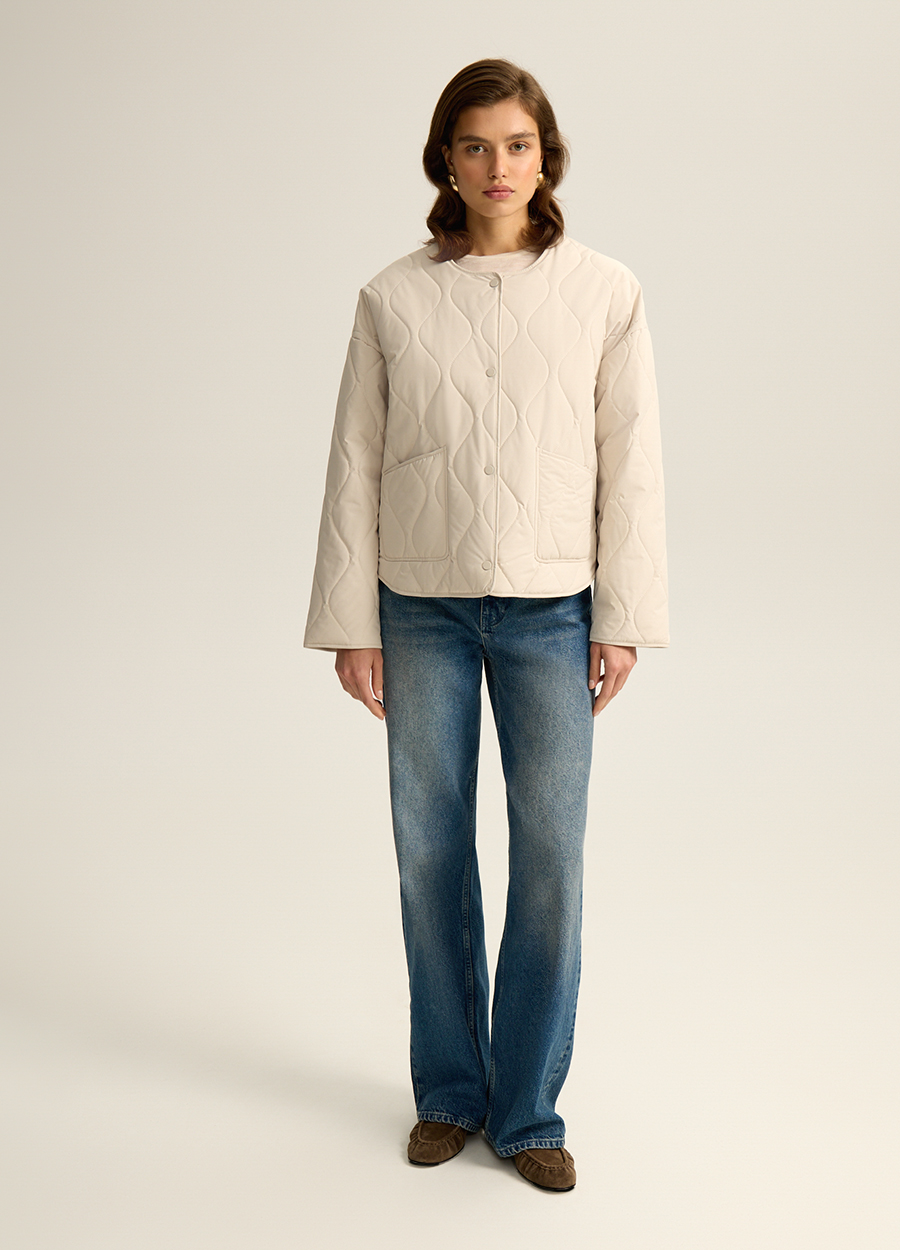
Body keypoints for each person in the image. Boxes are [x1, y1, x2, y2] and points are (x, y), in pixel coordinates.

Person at [303, 58, 669, 1192]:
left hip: (553, 610)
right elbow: (354, 462)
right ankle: (450, 1093)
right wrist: (351, 623)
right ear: (445, 162)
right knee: (430, 851)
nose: (498, 166)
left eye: (518, 145)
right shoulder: (391, 297)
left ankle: (528, 1109)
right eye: (475, 145)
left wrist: (622, 616)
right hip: (417, 608)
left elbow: (631, 463)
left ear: (545, 159)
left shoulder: (606, 291)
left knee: (549, 854)